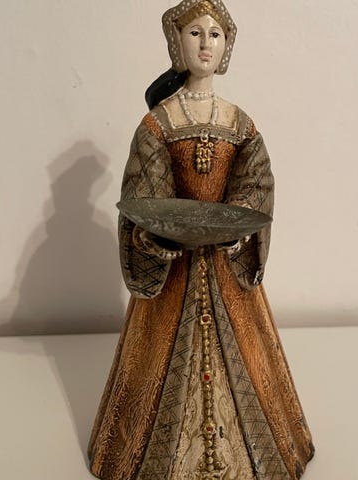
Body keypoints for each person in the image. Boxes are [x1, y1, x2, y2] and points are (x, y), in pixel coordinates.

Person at [88, 1, 314, 479]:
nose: (205, 43)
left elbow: (256, 183)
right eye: (194, 32)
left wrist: (239, 228)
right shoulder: (158, 124)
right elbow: (145, 194)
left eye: (215, 33)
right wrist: (155, 236)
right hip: (174, 273)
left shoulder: (240, 124)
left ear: (227, 45)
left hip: (228, 266)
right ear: (177, 42)